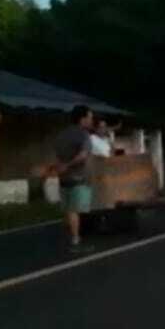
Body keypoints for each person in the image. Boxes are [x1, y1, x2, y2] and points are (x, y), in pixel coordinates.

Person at [54, 105, 95, 252]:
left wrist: (61, 167)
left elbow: (58, 156)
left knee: (68, 210)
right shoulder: (84, 135)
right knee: (74, 210)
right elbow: (83, 155)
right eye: (90, 118)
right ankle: (76, 240)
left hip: (63, 178)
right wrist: (69, 165)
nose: (91, 121)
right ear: (82, 119)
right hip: (78, 177)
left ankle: (71, 236)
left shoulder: (61, 135)